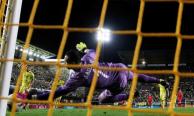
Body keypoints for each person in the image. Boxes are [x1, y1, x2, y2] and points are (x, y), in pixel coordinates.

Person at [27, 42, 169, 104]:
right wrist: (84, 49)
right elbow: (92, 51)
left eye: (66, 61)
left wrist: (35, 98)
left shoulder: (77, 78)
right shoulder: (87, 57)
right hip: (119, 68)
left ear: (71, 64)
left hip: (117, 83)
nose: (64, 63)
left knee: (102, 99)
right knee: (137, 77)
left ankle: (128, 96)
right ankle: (159, 81)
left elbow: (57, 93)